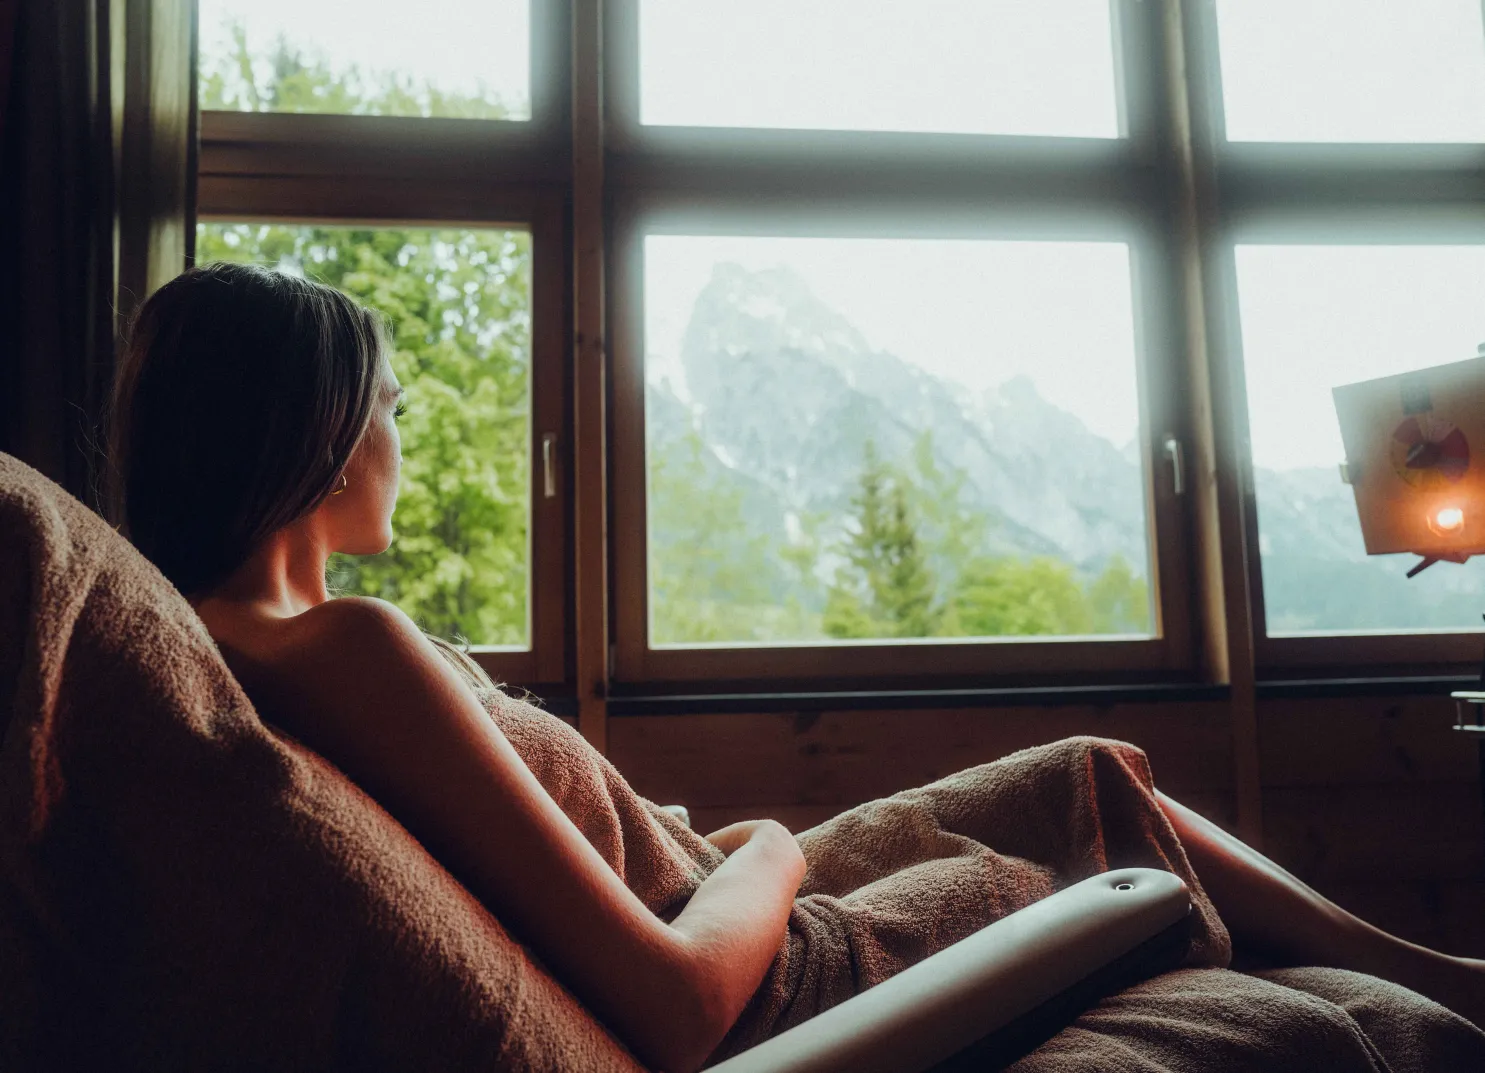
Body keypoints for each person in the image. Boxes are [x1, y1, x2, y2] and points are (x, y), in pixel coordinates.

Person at [105, 262, 1485, 1073]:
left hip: (726, 894)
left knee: (1078, 773)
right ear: (327, 431)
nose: (402, 435)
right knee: (1082, 826)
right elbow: (677, 1003)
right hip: (770, 965)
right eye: (392, 408)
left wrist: (740, 859)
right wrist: (768, 847)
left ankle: (1433, 971)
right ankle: (1441, 989)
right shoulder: (342, 647)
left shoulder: (249, 651)